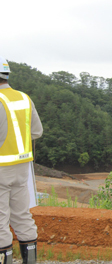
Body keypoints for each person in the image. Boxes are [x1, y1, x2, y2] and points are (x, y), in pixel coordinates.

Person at [0, 56, 43, 264]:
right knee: (22, 216)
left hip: (0, 168)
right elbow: (36, 132)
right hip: (21, 168)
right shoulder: (24, 98)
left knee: (0, 223)